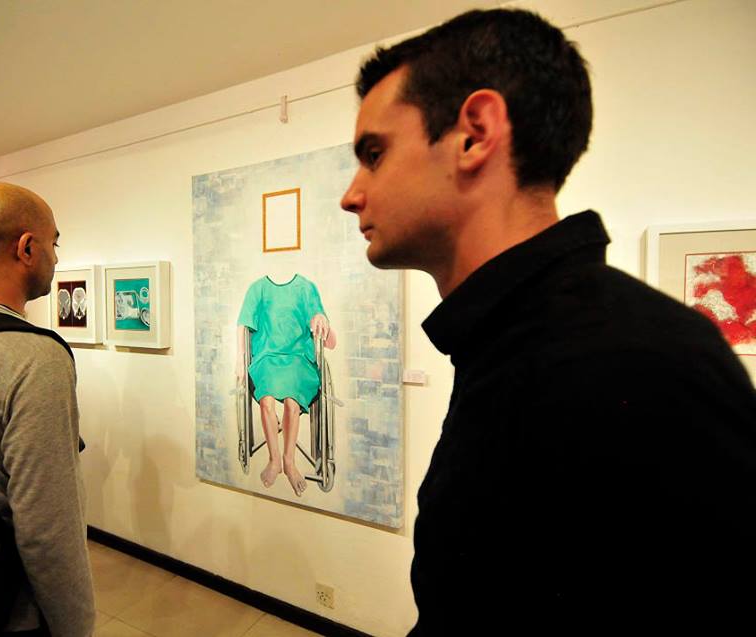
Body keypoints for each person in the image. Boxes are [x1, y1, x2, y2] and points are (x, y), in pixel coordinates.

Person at [340, 8, 756, 633]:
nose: (351, 194)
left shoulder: (633, 363)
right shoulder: (522, 341)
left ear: (475, 133)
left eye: (375, 154)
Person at [0, 182, 94, 637]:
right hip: (3, 608)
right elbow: (47, 529)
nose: (56, 258)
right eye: (54, 244)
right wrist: (75, 627)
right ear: (27, 248)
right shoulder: (35, 358)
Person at [236, 272, 335, 496]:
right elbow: (243, 325)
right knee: (267, 400)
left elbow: (328, 337)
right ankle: (274, 460)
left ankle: (289, 461)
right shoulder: (258, 288)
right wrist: (239, 360)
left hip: (298, 358)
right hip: (267, 356)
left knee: (292, 401)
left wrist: (321, 319)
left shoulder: (306, 288)